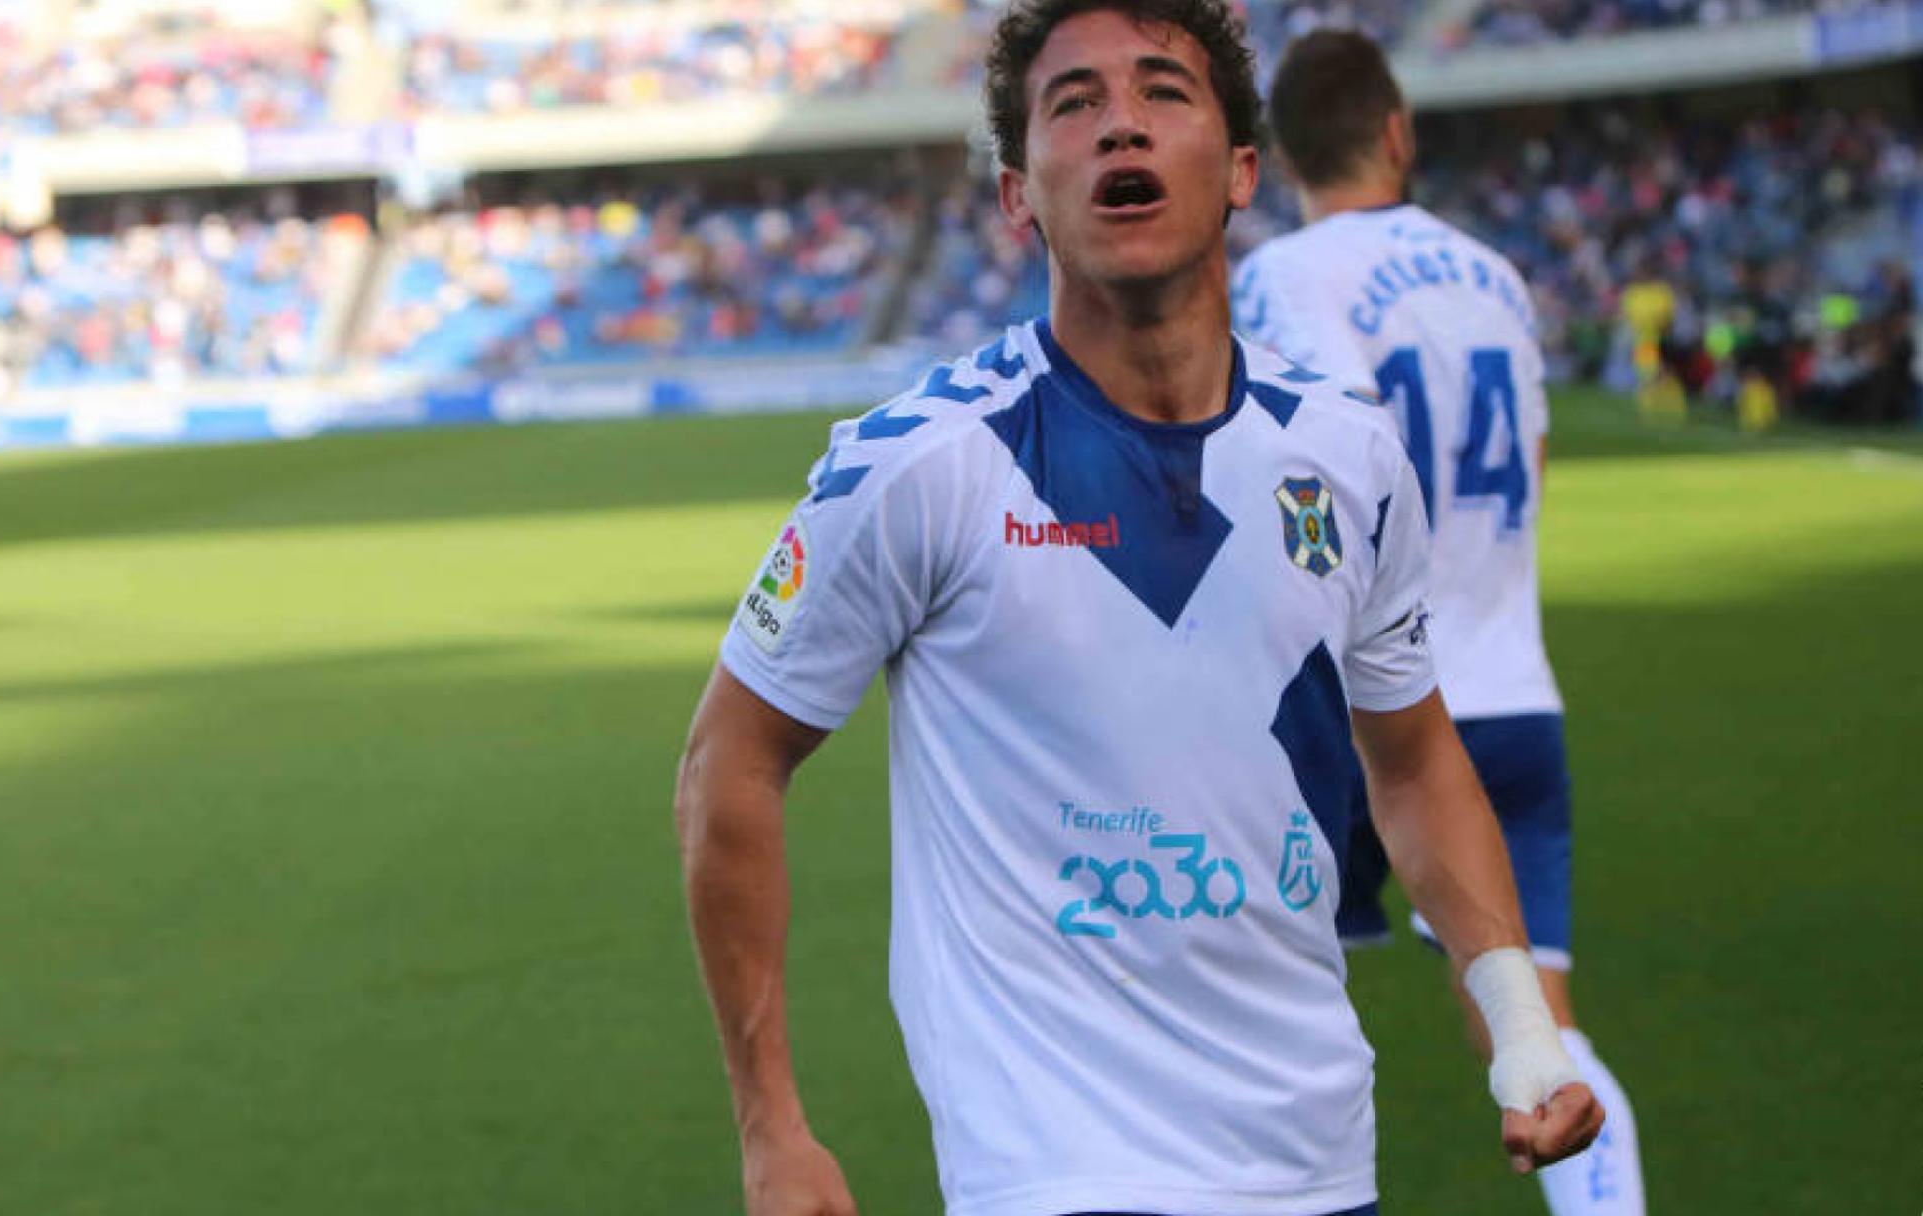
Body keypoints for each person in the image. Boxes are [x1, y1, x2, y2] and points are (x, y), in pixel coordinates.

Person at [676, 4, 1601, 1214]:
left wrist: (1525, 1031)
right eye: (1074, 103)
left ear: (1241, 171)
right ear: (1019, 196)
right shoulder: (925, 462)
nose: (1121, 123)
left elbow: (1418, 764)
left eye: (1164, 91)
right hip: (1055, 1175)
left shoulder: (1347, 454)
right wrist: (771, 1126)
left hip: (1317, 1167)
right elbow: (729, 764)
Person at [1232, 29, 1646, 1216]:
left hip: (1379, 720)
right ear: (1398, 131)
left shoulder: (1286, 277)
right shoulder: (1493, 275)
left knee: (1239, 1008)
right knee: (1542, 1051)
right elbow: (1539, 458)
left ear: (1278, 154)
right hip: (1516, 692)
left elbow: (1334, 468)